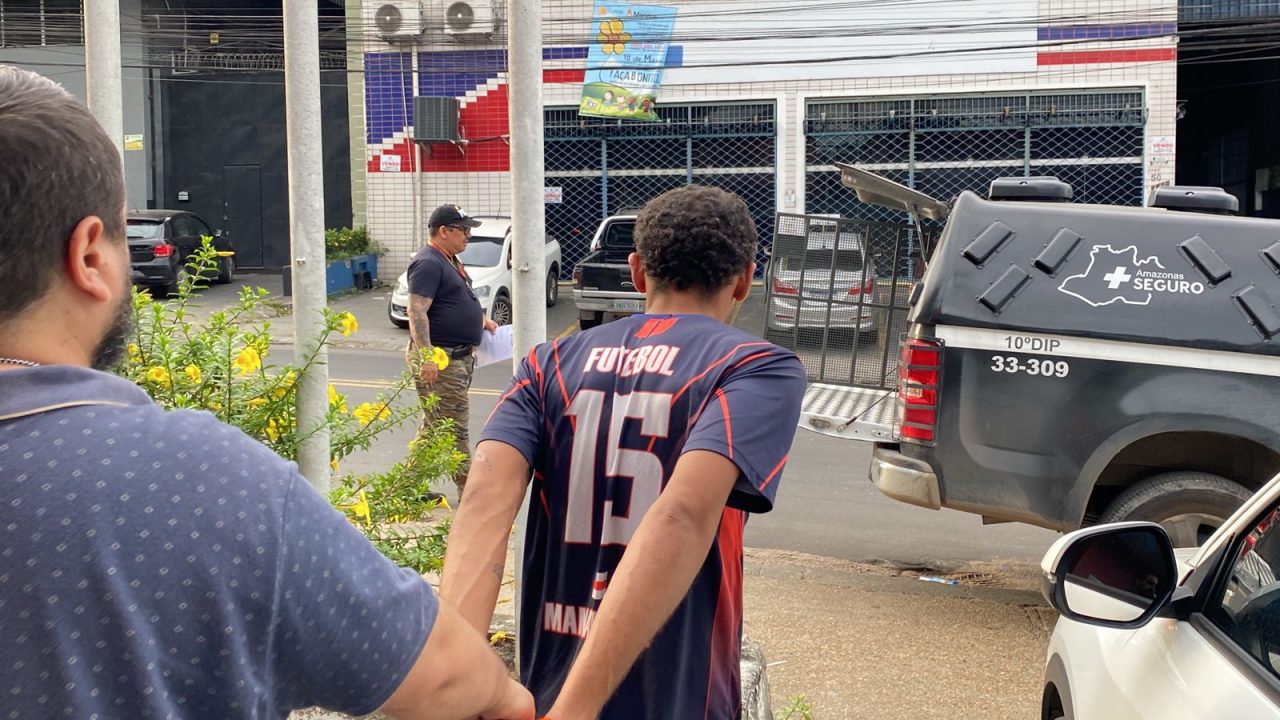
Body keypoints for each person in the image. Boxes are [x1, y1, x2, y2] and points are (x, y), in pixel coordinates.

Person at [0, 65, 532, 720]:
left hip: (459, 357)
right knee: (445, 432)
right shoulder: (193, 478)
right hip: (440, 369)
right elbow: (447, 676)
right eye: (121, 232)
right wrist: (506, 693)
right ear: (89, 256)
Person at [440, 185, 808, 718]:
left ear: (637, 272)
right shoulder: (755, 367)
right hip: (681, 695)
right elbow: (682, 515)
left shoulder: (547, 364)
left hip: (547, 686)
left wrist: (456, 684)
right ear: (746, 280)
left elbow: (481, 505)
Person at [405, 204, 498, 500]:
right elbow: (416, 310)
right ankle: (470, 495)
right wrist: (427, 357)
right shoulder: (428, 263)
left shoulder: (448, 260)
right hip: (441, 359)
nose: (468, 235)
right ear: (444, 231)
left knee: (435, 426)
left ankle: (405, 489)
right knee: (454, 428)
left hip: (457, 358)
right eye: (463, 229)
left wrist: (481, 320)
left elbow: (454, 300)